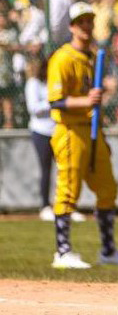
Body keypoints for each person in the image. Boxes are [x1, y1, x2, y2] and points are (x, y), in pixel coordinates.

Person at [46, 1, 118, 269]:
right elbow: (55, 101)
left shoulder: (92, 57)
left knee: (107, 188)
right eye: (81, 22)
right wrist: (87, 101)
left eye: (89, 21)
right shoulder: (62, 58)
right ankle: (62, 251)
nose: (86, 26)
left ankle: (108, 250)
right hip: (70, 130)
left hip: (92, 129)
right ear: (71, 27)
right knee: (68, 189)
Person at [25, 56, 55, 221]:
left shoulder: (58, 82)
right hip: (41, 132)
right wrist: (54, 103)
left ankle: (65, 205)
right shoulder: (34, 84)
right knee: (46, 169)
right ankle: (45, 205)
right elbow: (34, 108)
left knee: (66, 170)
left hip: (58, 130)